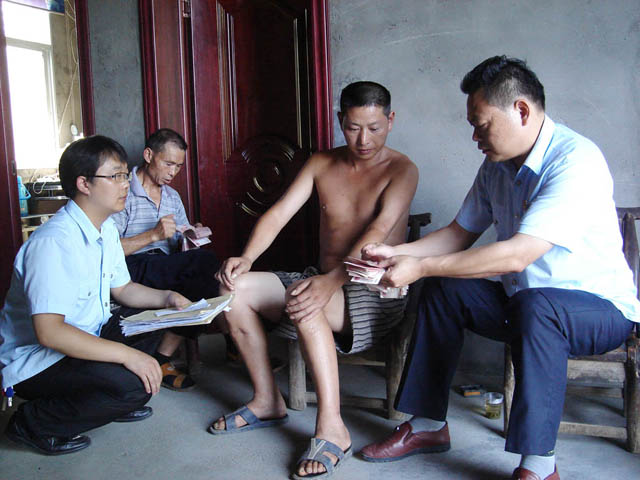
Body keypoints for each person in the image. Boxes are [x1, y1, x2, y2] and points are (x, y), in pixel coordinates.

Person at [358, 56, 640, 480]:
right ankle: (428, 424)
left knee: (536, 306)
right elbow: (459, 233)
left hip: (598, 312)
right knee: (444, 288)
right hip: (524, 304)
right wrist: (399, 254)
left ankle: (539, 466)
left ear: (521, 110)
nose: (475, 137)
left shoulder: (575, 161)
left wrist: (421, 266)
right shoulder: (496, 167)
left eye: (482, 124)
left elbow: (517, 255)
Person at [212, 81, 418, 478]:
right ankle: (266, 401)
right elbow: (279, 213)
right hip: (321, 279)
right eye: (353, 127)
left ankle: (332, 427)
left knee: (306, 300)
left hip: (375, 291)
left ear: (391, 120)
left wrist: (331, 282)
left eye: (374, 128)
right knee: (231, 289)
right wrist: (247, 258)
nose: (363, 139)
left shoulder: (402, 169)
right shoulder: (322, 162)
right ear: (341, 121)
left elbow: (378, 230)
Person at [0, 135, 191, 455]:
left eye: (124, 175)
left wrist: (168, 298)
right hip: (40, 360)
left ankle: (104, 399)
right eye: (115, 176)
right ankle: (31, 423)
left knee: (155, 319)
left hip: (87, 334)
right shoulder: (54, 243)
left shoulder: (105, 229)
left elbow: (123, 289)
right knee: (135, 388)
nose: (125, 184)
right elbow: (50, 333)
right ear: (84, 184)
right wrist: (128, 356)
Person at [111, 128, 222, 391]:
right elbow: (107, 251)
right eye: (168, 163)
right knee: (206, 265)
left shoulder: (172, 197)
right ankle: (231, 341)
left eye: (179, 166)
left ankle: (161, 358)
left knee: (205, 277)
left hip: (165, 264)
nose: (173, 172)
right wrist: (153, 235)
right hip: (130, 269)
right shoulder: (122, 192)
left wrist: (191, 235)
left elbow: (179, 242)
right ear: (149, 155)